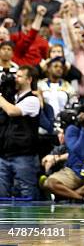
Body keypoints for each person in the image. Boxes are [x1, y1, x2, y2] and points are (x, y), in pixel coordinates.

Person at [0, 66, 41, 199]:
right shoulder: (11, 98)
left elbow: (12, 111)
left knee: (26, 194)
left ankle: (26, 221)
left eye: (19, 76)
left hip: (24, 156)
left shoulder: (32, 100)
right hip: (5, 154)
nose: (15, 79)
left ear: (29, 79)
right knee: (2, 195)